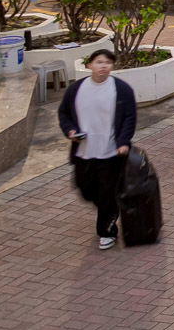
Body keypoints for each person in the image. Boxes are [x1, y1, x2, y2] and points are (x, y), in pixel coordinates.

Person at [56, 48, 136, 250]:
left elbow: (129, 117)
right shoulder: (77, 89)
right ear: (89, 65)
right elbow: (64, 113)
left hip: (110, 152)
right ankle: (108, 208)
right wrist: (70, 131)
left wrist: (123, 141)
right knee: (85, 188)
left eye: (108, 63)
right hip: (84, 151)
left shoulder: (121, 89)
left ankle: (107, 231)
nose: (103, 66)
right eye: (99, 62)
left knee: (107, 191)